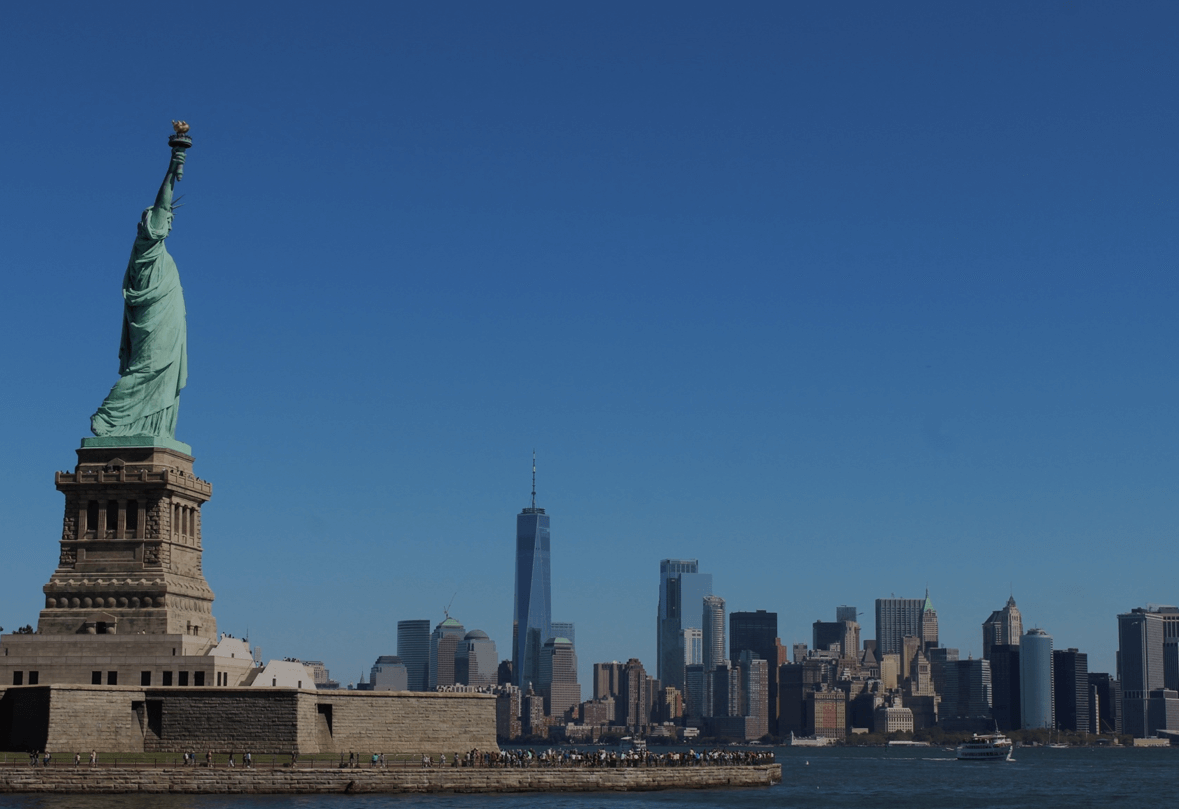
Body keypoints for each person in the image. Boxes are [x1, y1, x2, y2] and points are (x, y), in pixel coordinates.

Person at [90, 142, 189, 440]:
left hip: (167, 319)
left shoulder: (155, 254)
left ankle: (151, 429)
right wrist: (173, 167)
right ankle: (108, 418)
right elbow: (161, 204)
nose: (169, 223)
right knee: (148, 368)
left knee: (162, 372)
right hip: (154, 321)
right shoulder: (148, 246)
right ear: (150, 225)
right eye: (165, 219)